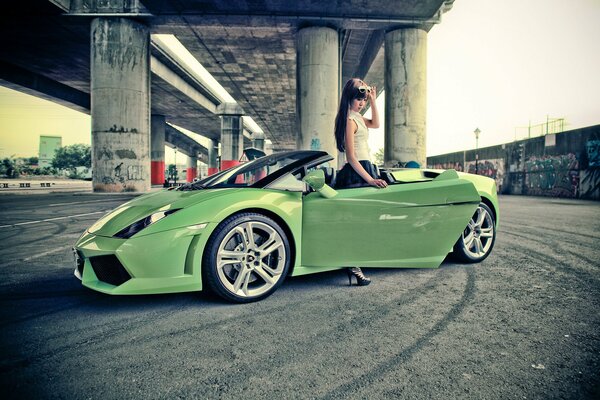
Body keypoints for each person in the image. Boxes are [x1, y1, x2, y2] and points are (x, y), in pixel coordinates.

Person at [333, 78, 388, 286]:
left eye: (363, 100)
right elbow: (351, 157)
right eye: (359, 99)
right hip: (358, 173)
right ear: (349, 97)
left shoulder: (359, 118)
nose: (361, 103)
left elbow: (376, 124)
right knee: (356, 223)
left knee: (363, 222)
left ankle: (356, 262)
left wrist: (373, 100)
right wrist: (371, 180)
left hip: (366, 170)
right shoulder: (349, 120)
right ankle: (354, 266)